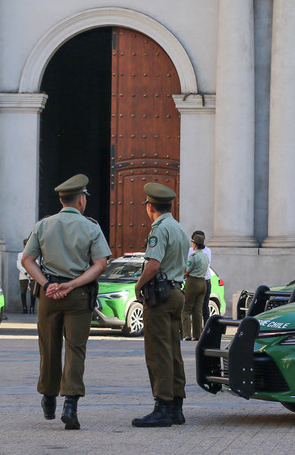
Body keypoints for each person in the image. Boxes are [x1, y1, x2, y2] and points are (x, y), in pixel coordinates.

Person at [21, 174, 111, 431]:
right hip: (78, 295)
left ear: (62, 200)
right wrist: (73, 284)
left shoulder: (43, 225)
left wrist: (47, 284)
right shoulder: (91, 227)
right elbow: (101, 264)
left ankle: (48, 397)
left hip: (49, 296)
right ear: (81, 200)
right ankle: (70, 405)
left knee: (48, 346)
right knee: (75, 349)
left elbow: (28, 259)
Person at [132, 183, 190, 428]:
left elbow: (153, 265)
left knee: (158, 352)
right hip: (176, 292)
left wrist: (138, 285)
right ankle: (176, 406)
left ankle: (163, 406)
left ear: (150, 207)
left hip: (160, 296)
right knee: (173, 351)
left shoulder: (159, 229)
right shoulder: (180, 229)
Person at [182, 238, 208, 341]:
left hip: (193, 282)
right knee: (198, 310)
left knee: (186, 309)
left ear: (195, 244)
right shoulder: (205, 256)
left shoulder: (193, 257)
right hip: (203, 282)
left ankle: (187, 334)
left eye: (193, 243)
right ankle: (197, 334)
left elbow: (187, 272)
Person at [189, 230, 213, 324]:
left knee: (204, 306)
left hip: (204, 279)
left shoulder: (207, 251)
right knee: (191, 306)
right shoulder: (190, 250)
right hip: (192, 280)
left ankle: (206, 327)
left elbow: (205, 265)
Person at [16, 248, 34, 314]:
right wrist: (25, 272)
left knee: (32, 292)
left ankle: (32, 307)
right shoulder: (20, 254)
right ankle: (24, 307)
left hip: (32, 276)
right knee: (23, 292)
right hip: (23, 276)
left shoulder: (33, 253)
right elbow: (19, 265)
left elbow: (36, 263)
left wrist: (32, 273)